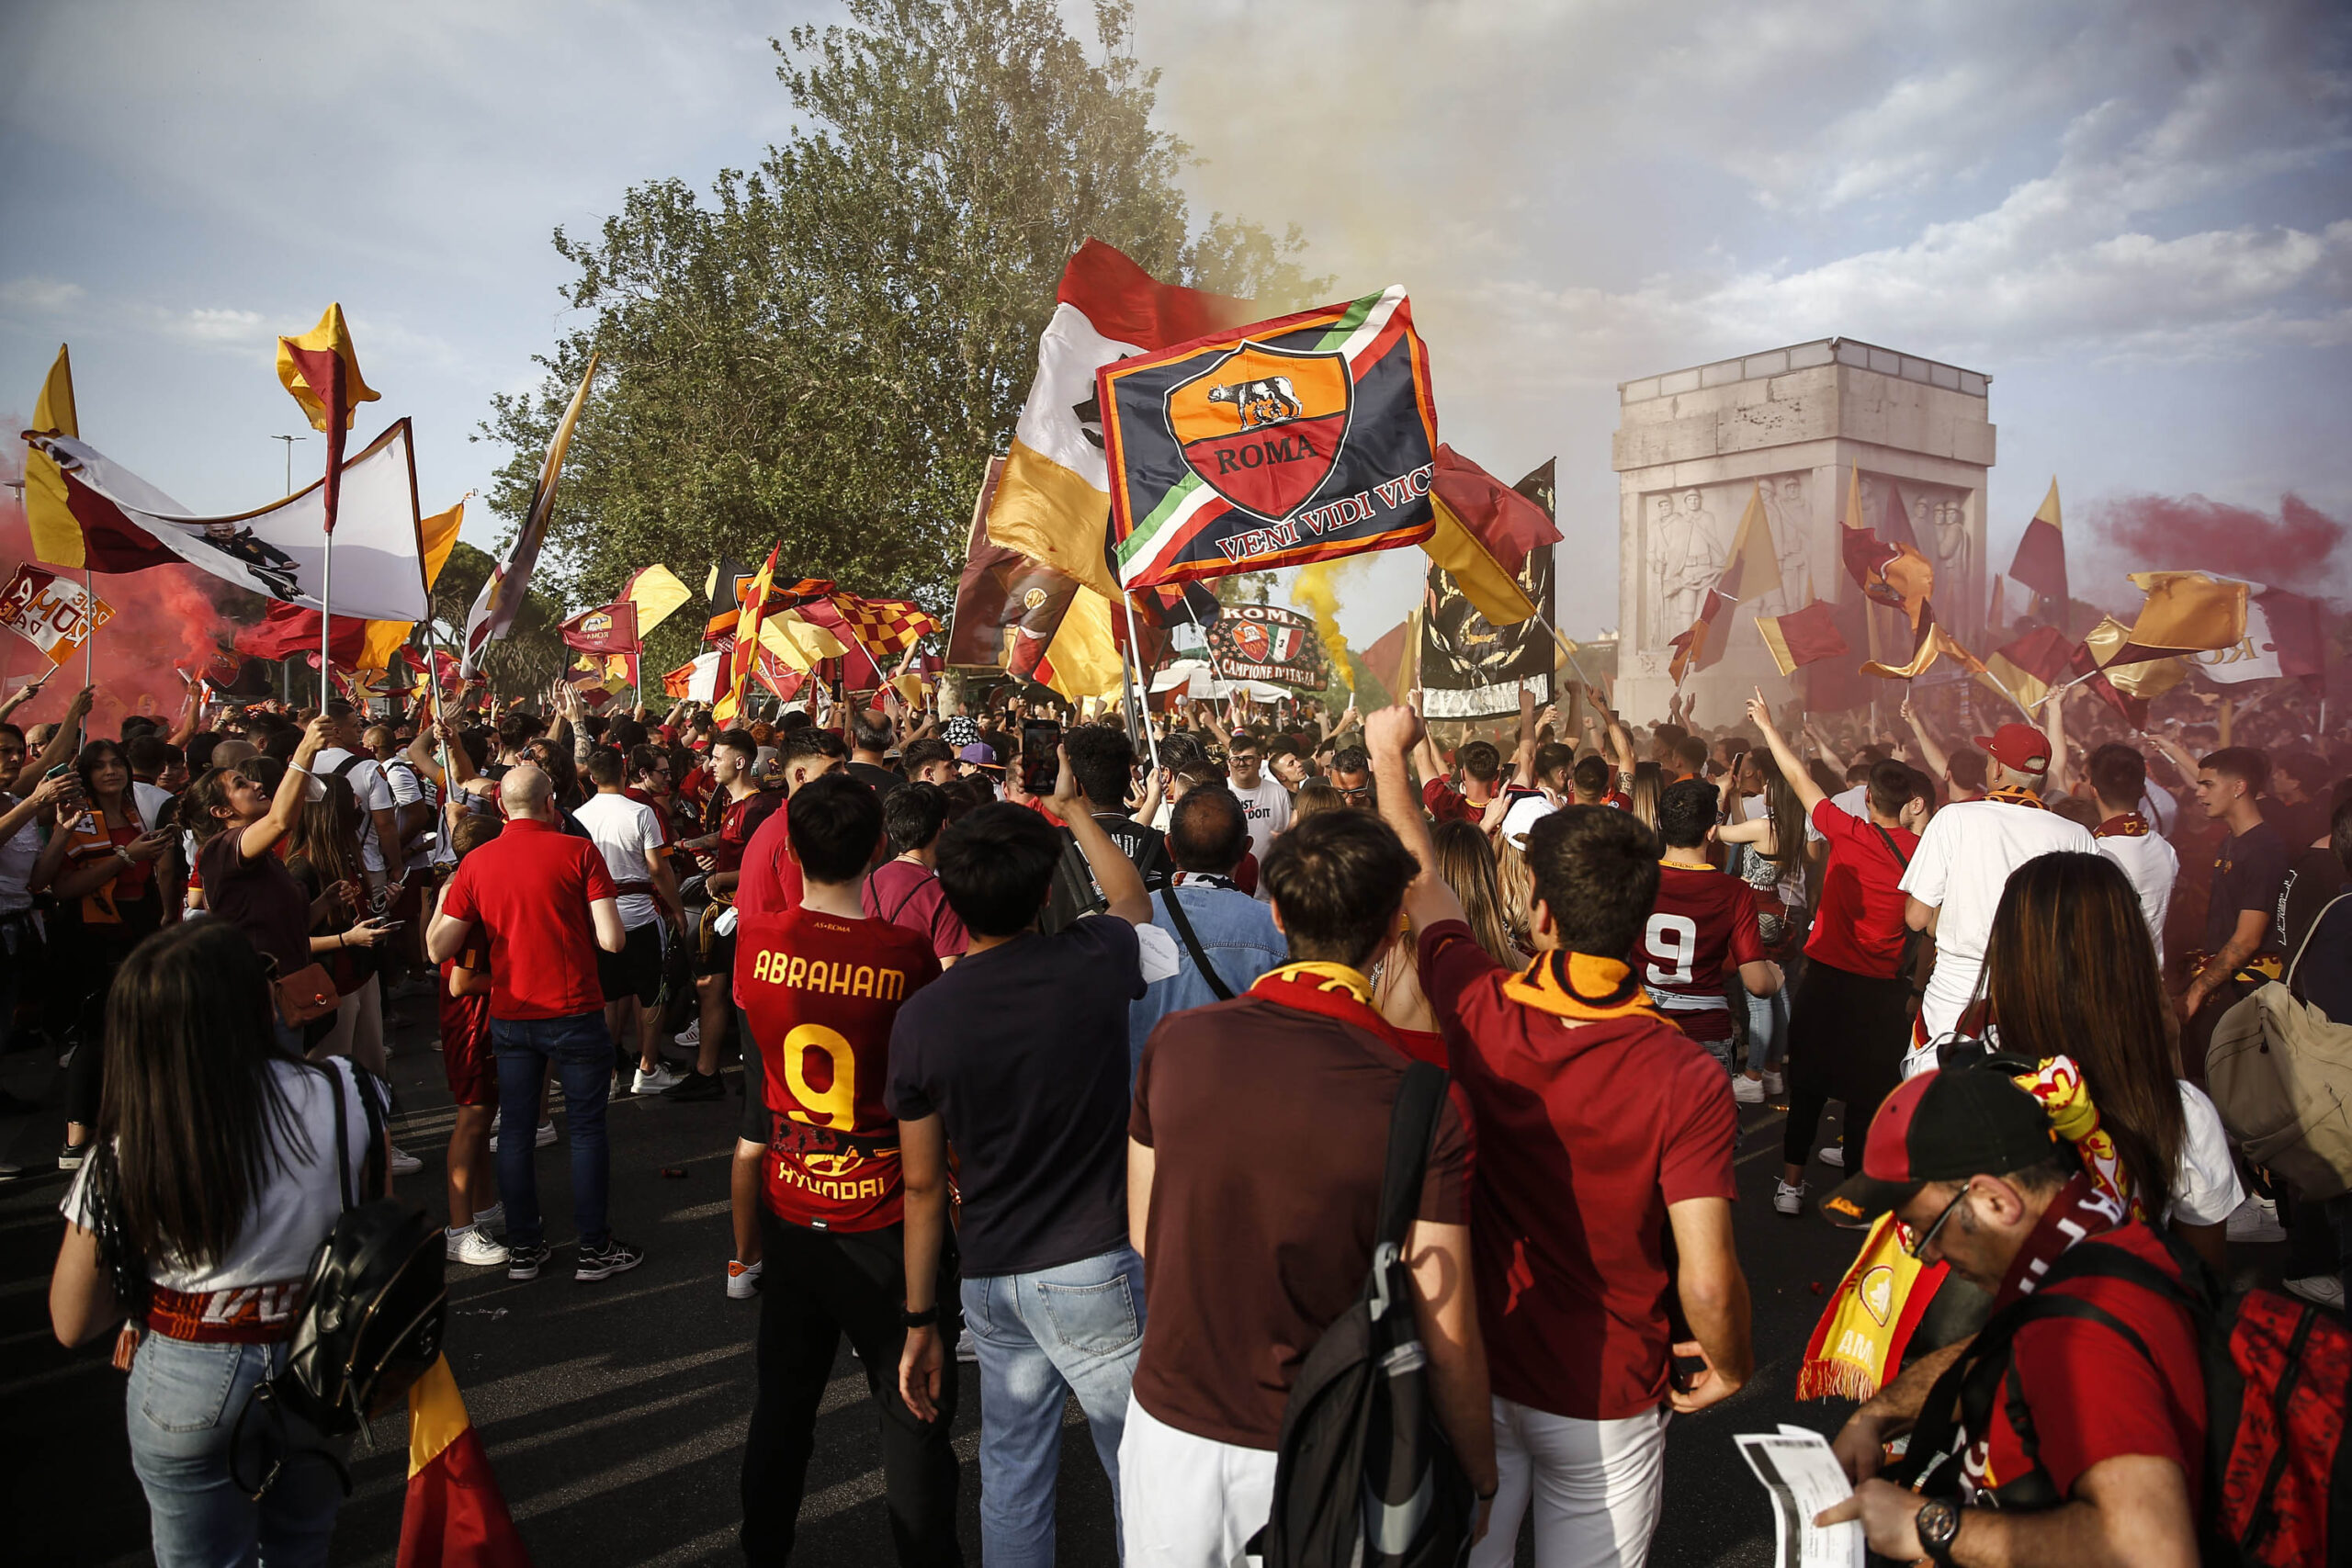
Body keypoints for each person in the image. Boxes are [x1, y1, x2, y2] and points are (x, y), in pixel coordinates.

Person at [1369, 707, 1751, 1567]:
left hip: (1481, 1359)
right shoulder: (1685, 1070)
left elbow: (1423, 881)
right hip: (1608, 1389)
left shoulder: (1480, 1005)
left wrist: (1387, 758)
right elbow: (1708, 1270)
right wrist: (1731, 1361)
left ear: (1540, 913)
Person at [1120, 807, 1496, 1562]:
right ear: (1394, 929)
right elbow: (1445, 1321)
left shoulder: (1177, 1043)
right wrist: (1480, 1473)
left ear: (1278, 912)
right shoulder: (1422, 1097)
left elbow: (1144, 1228)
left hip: (1166, 1424)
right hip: (1321, 1437)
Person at [49, 922, 381, 1568]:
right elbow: (372, 1221)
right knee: (301, 1549)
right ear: (253, 1003)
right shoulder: (348, 1092)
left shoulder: (125, 1151)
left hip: (188, 1368)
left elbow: (71, 1320)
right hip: (321, 1358)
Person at [889, 756, 1150, 1563]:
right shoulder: (1094, 958)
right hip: (1095, 1260)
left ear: (947, 894)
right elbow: (1134, 899)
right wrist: (1074, 810)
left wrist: (920, 1319)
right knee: (1136, 1470)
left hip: (991, 1277)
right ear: (1045, 893)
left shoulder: (925, 1016)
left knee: (1011, 1472)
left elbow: (924, 1185)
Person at [1815, 1067, 2205, 1566]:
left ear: (1997, 1201)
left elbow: (2152, 1551)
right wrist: (1878, 1415)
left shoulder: (2082, 1326)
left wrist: (1931, 1526)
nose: (1923, 1255)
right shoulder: (2086, 1237)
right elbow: (1999, 1352)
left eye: (1922, 1228)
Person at [736, 775, 958, 1563]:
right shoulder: (903, 955)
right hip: (886, 1211)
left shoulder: (756, 941)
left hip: (794, 1202)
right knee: (913, 1410)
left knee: (782, 1410)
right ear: (874, 849)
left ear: (791, 851)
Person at [427, 765, 639, 1284]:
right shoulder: (578, 852)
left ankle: (524, 1247)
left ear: (501, 806)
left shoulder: (476, 864)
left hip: (512, 1012)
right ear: (552, 804)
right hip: (574, 1007)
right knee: (586, 1130)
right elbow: (613, 940)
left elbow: (437, 948)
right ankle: (594, 1248)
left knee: (517, 1131)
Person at [1976, 852, 2242, 1267]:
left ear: (2010, 952)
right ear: (2130, 957)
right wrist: (2170, 1053)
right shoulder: (2177, 1112)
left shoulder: (1960, 1075)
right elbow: (2198, 1286)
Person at [1744, 696, 1929, 1213]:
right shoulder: (1923, 853)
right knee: (1866, 1094)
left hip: (1826, 978)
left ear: (1867, 798)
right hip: (1882, 991)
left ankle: (1790, 1186)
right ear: (1911, 803)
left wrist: (1767, 725)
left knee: (1808, 1086)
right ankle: (1854, 1195)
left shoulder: (1847, 832)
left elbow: (1800, 778)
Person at [1901, 722, 2096, 1054]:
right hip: (2039, 995)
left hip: (1957, 993)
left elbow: (1917, 918)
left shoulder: (1954, 819)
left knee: (1941, 1095)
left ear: (1998, 769)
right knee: (2021, 1097)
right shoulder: (2078, 836)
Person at [40, 738, 175, 1169]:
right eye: (99, 767)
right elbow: (56, 886)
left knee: (135, 1030)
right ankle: (77, 1139)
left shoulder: (135, 812)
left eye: (116, 763)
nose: (111, 772)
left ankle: (122, 1125)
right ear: (86, 775)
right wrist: (124, 857)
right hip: (95, 936)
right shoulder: (81, 820)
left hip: (138, 925)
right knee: (97, 1033)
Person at [1125, 784, 1284, 1070]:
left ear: (1170, 846)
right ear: (1246, 849)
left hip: (1146, 1104)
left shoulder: (1129, 923)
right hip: (1240, 1105)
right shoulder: (1276, 931)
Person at [1634, 778, 1781, 1074]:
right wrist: (1774, 978)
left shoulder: (1635, 879)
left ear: (1662, 825)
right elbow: (1757, 982)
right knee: (1707, 1120)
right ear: (1712, 831)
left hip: (1643, 1024)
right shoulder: (1733, 891)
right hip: (1705, 1029)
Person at [673, 728, 779, 1102]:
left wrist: (718, 877)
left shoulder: (760, 807)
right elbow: (729, 840)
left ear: (740, 762)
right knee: (712, 989)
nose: (710, 763)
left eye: (717, 757)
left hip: (744, 915)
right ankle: (707, 1071)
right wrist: (699, 848)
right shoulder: (737, 806)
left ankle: (747, 1078)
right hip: (728, 912)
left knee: (731, 994)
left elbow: (765, 864)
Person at [575, 746, 687, 1095]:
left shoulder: (578, 816)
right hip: (639, 913)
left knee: (608, 996)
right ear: (624, 772)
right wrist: (677, 909)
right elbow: (658, 869)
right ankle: (648, 1069)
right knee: (652, 993)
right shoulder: (641, 812)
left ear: (593, 778)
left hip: (599, 916)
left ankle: (608, 1073)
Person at [2176, 746, 2289, 1049]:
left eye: (2208, 785)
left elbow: (2247, 939)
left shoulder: (2264, 850)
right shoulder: (2230, 840)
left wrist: (2198, 989)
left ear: (2239, 787)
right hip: (2224, 984)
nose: (2198, 793)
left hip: (2245, 994)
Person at [435, 811, 508, 1269]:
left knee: (482, 1115)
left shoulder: (458, 888)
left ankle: (482, 1206)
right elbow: (463, 981)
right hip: (470, 1022)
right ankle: (460, 1229)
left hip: (474, 1023)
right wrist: (520, 983)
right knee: (473, 1116)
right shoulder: (471, 904)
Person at [1716, 746, 1808, 1102]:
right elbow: (1743, 825)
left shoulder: (1765, 825)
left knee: (1757, 998)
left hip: (1755, 912)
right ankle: (1772, 1073)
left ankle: (1753, 1075)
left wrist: (1722, 793)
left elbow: (1717, 833)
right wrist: (1737, 794)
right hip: (1777, 909)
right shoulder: (1790, 824)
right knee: (1779, 993)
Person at [2085, 742, 2178, 966]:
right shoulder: (2166, 850)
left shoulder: (2093, 852)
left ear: (2093, 790)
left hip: (2105, 982)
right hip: (2152, 979)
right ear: (2143, 790)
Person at [863, 781, 968, 965]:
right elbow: (947, 972)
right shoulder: (943, 897)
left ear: (894, 833)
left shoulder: (864, 886)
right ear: (943, 826)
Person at [1221, 731, 1292, 862]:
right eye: (1235, 759)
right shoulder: (1220, 793)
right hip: (1232, 877)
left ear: (1259, 761)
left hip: (1270, 875)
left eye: (1248, 758)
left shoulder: (1279, 792)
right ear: (1228, 764)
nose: (1241, 764)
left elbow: (1288, 836)